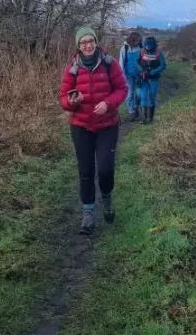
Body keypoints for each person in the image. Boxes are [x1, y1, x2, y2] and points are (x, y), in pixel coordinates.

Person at [59, 26, 128, 235]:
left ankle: (106, 199)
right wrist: (72, 102)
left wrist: (108, 103)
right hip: (81, 126)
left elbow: (122, 89)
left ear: (96, 42)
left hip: (107, 126)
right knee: (86, 171)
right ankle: (88, 214)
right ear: (78, 46)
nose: (87, 45)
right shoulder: (72, 68)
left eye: (90, 41)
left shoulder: (109, 64)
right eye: (83, 42)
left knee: (106, 169)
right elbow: (63, 98)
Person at [138, 35, 167, 124]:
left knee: (151, 97)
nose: (148, 47)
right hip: (143, 78)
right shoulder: (142, 51)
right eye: (146, 45)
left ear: (154, 45)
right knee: (143, 97)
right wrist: (141, 70)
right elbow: (136, 62)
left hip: (154, 78)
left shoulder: (158, 53)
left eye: (150, 45)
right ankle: (143, 119)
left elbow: (163, 65)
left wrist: (152, 72)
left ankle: (150, 118)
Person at [118, 30, 143, 122]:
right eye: (137, 41)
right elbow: (121, 63)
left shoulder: (141, 48)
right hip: (128, 75)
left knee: (139, 94)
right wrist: (121, 76)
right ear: (132, 40)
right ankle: (131, 112)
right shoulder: (124, 48)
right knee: (129, 94)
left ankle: (136, 106)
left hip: (139, 75)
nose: (138, 42)